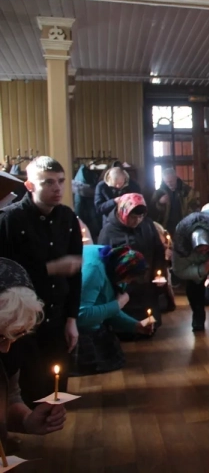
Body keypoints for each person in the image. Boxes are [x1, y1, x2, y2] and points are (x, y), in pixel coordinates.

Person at [0, 156, 82, 406]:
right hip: (20, 320)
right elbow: (3, 274)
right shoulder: (9, 219)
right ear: (29, 186)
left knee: (55, 389)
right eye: (47, 182)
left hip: (57, 314)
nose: (57, 188)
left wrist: (72, 319)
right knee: (25, 390)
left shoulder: (68, 218)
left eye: (60, 181)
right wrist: (48, 268)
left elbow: (75, 274)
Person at [0, 258, 68, 441]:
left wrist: (27, 420)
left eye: (17, 335)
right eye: (0, 337)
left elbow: (9, 400)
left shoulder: (12, 347)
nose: (6, 349)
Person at [75, 245, 154, 375]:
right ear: (122, 272)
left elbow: (106, 306)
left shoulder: (115, 265)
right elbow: (81, 316)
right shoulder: (95, 270)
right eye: (129, 279)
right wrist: (118, 304)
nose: (128, 283)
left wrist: (135, 325)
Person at [98, 193, 166, 326]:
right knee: (127, 325)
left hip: (146, 281)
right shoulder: (109, 231)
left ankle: (147, 328)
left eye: (141, 217)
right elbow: (105, 260)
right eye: (133, 217)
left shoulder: (147, 225)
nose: (137, 221)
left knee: (150, 323)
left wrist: (160, 273)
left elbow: (158, 249)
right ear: (123, 212)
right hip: (124, 284)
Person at [150, 168, 199, 236]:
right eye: (167, 182)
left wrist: (188, 222)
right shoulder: (159, 193)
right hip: (165, 226)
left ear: (176, 178)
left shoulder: (187, 191)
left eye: (171, 181)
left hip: (184, 225)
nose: (169, 184)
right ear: (164, 181)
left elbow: (193, 207)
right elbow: (153, 211)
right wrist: (160, 203)